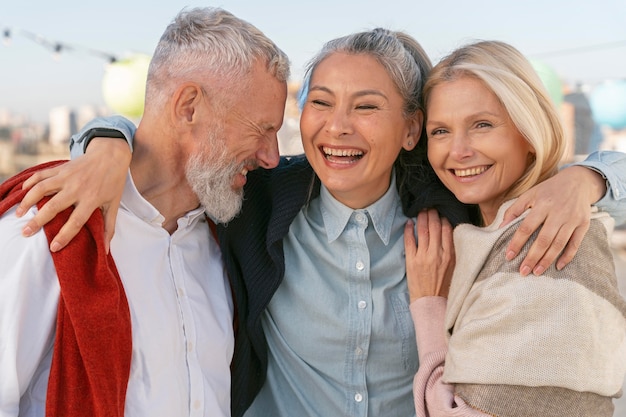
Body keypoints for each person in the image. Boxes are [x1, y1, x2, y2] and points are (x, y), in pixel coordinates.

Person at [14, 30, 626, 416]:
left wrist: (587, 179)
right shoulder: (255, 200)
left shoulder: (457, 199)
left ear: (411, 130)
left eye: (366, 107)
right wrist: (105, 145)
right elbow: (170, 149)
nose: (336, 127)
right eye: (320, 103)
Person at [0, 6, 289, 417]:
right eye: (262, 129)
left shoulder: (228, 235)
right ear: (189, 107)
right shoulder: (43, 227)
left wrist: (108, 136)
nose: (273, 156)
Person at [406, 40, 626, 417]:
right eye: (440, 131)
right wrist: (589, 176)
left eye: (482, 125)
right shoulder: (480, 225)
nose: (457, 150)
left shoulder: (547, 238)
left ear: (528, 129)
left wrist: (429, 309)